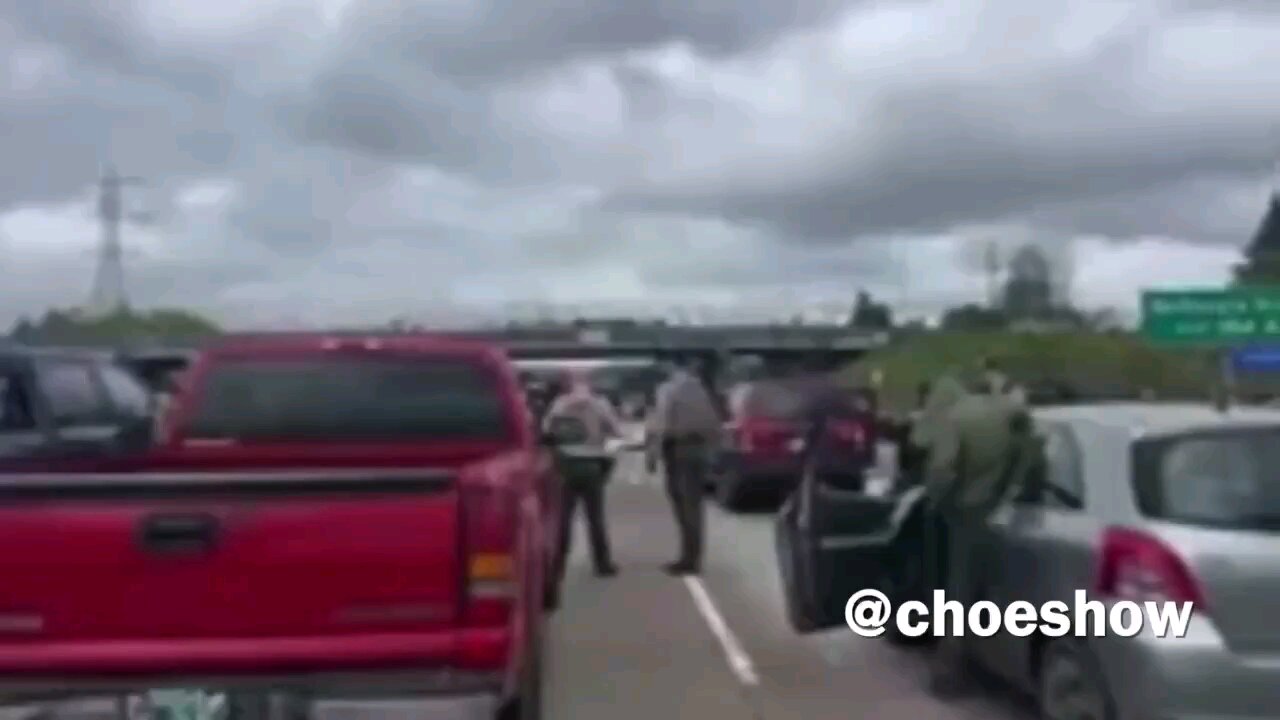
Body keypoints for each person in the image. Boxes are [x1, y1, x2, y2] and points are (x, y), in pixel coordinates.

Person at [914, 374, 1029, 697]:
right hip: (1004, 509)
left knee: (959, 595)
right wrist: (1008, 493)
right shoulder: (1008, 415)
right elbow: (1028, 454)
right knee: (991, 589)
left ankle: (948, 675)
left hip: (967, 511)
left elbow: (943, 469)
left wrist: (935, 501)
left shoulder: (956, 419)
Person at [648, 355, 723, 575]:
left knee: (682, 506)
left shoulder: (667, 389)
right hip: (699, 450)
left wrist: (653, 455)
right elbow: (713, 422)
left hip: (677, 449)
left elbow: (662, 422)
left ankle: (687, 559)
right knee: (695, 506)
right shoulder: (701, 389)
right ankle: (694, 556)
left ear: (670, 366)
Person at [544, 369, 621, 579]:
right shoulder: (600, 404)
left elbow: (547, 431)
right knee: (595, 517)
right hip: (592, 465)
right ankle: (603, 564)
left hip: (566, 465)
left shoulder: (559, 404)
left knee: (563, 519)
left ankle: (556, 565)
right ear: (590, 384)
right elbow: (616, 432)